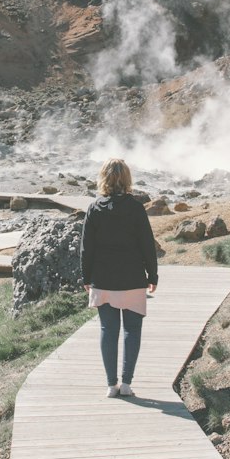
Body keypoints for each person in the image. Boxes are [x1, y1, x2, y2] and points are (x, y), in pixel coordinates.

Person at [80, 158, 158, 398]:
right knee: (132, 331)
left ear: (103, 178)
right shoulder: (135, 208)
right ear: (127, 179)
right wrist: (152, 275)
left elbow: (86, 247)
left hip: (103, 278)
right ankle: (126, 383)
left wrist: (86, 276)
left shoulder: (95, 208)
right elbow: (147, 245)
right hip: (133, 277)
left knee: (108, 329)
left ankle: (110, 384)